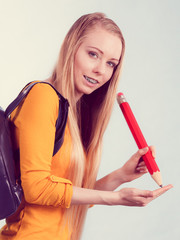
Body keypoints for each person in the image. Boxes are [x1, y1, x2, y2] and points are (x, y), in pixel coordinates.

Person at [0, 12, 172, 240]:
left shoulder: (74, 114)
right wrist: (117, 198)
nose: (101, 70)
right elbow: (38, 189)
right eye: (93, 54)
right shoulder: (43, 96)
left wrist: (120, 176)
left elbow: (69, 201)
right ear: (71, 47)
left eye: (111, 63)